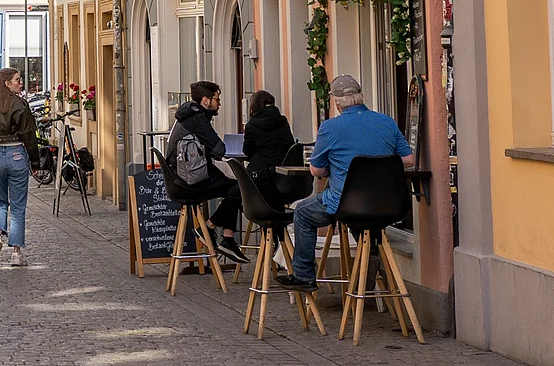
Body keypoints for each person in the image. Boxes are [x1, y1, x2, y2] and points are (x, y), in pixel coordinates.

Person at [276, 74, 412, 294]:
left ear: (337, 103)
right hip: (388, 204)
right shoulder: (386, 121)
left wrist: (338, 165)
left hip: (346, 204)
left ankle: (303, 276)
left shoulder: (330, 128)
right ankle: (370, 256)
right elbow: (408, 160)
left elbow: (316, 170)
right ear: (360, 97)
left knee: (303, 212)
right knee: (364, 218)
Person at [160, 82, 247, 266]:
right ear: (206, 100)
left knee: (233, 188)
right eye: (217, 99)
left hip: (181, 176)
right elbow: (219, 149)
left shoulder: (187, 114)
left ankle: (226, 237)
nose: (219, 104)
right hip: (188, 182)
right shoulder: (198, 118)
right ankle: (210, 228)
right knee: (237, 188)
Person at [0, 66, 38, 266]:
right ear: (7, 83)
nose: (21, 83)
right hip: (16, 153)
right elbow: (29, 134)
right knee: (18, 207)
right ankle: (16, 253)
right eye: (18, 80)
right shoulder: (19, 105)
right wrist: (35, 161)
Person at [241, 89, 309, 206]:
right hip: (287, 179)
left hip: (263, 178)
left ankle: (212, 223)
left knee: (236, 193)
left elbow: (247, 151)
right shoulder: (282, 121)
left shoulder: (252, 125)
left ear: (254, 107)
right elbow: (290, 145)